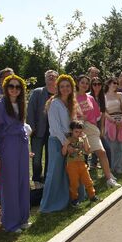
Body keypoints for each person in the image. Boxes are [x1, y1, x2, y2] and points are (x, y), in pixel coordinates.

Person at [0, 74, 31, 233]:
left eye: (18, 87)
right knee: (10, 184)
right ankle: (11, 222)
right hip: (8, 147)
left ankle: (23, 218)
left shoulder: (21, 105)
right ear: (5, 88)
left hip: (22, 145)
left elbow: (23, 125)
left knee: (23, 180)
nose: (14, 89)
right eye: (11, 86)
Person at [40, 74, 79, 212]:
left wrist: (74, 140)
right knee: (55, 173)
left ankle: (68, 198)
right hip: (57, 142)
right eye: (62, 86)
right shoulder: (54, 103)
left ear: (71, 87)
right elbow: (55, 128)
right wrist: (65, 144)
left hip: (69, 140)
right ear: (58, 88)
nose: (65, 88)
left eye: (67, 86)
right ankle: (49, 204)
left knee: (69, 171)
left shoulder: (71, 103)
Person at [76, 75, 119, 187]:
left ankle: (109, 179)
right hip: (78, 130)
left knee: (102, 152)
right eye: (82, 82)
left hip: (91, 128)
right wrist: (79, 119)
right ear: (77, 83)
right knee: (80, 157)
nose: (84, 85)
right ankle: (82, 185)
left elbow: (97, 114)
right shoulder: (73, 98)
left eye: (86, 83)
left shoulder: (90, 98)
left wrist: (93, 122)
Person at [27, 70, 58, 189]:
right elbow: (30, 111)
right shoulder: (38, 92)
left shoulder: (59, 93)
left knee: (50, 157)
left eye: (53, 76)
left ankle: (46, 179)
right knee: (36, 158)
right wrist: (31, 128)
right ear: (45, 79)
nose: (51, 77)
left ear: (57, 79)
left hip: (53, 132)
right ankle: (36, 179)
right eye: (48, 76)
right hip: (38, 131)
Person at [62, 121, 99, 206]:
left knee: (88, 180)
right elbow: (63, 153)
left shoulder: (82, 139)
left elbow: (88, 150)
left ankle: (92, 196)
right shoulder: (69, 140)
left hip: (82, 163)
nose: (78, 134)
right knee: (74, 183)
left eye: (80, 132)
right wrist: (66, 145)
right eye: (76, 132)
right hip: (71, 165)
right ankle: (74, 199)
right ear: (71, 131)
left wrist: (85, 139)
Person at [104, 77, 122, 176]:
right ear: (109, 83)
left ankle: (119, 167)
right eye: (113, 83)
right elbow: (104, 111)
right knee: (112, 147)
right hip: (110, 121)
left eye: (116, 83)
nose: (115, 85)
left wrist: (121, 120)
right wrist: (113, 120)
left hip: (121, 121)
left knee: (121, 146)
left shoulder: (120, 95)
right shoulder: (104, 95)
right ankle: (112, 168)